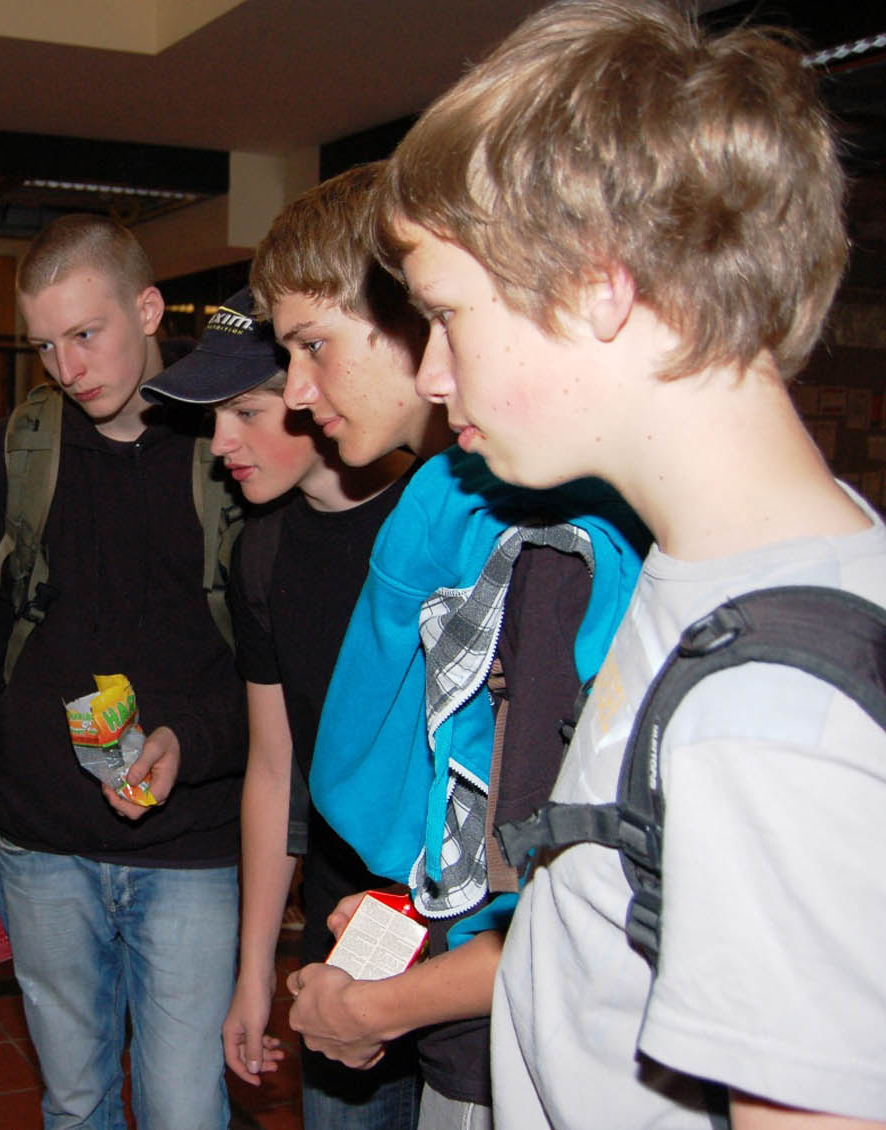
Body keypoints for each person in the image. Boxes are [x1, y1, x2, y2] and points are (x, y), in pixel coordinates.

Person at [378, 3, 886, 1128]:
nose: (429, 374)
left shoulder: (769, 720)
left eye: (448, 315)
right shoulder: (717, 575)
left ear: (594, 288)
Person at [271, 166, 647, 1130]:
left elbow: (557, 908)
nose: (297, 394)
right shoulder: (446, 516)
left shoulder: (541, 548)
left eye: (314, 345)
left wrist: (374, 1006)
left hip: (527, 1065)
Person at [0, 213, 248, 1130]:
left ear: (148, 309)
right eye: (45, 346)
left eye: (86, 334)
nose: (68, 368)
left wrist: (190, 744)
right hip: (42, 840)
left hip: (193, 840)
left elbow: (270, 662)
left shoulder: (232, 441)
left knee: (184, 1108)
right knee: (76, 1102)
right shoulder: (20, 447)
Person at [138, 277, 422, 1130]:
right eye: (213, 419)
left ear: (314, 393)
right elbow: (273, 767)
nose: (220, 444)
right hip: (344, 928)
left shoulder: (436, 519)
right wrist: (254, 969)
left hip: (461, 925)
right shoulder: (260, 552)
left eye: (246, 414)